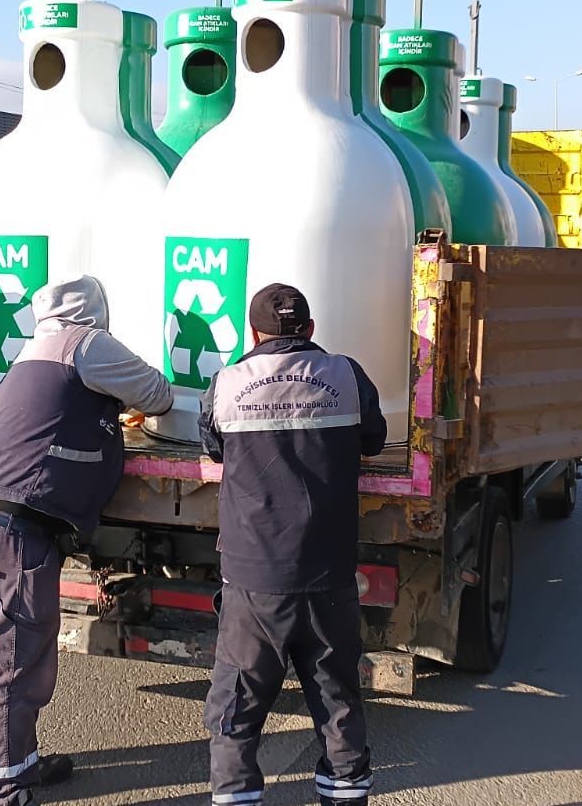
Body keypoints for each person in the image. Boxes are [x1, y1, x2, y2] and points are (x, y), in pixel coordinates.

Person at [0, 274, 172, 806]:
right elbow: (158, 396)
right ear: (94, 311)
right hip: (11, 532)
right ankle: (2, 791)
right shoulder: (85, 343)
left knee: (17, 659)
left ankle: (19, 766)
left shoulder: (33, 352)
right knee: (8, 667)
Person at [199, 283, 388, 806]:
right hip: (328, 573)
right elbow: (373, 437)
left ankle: (237, 796)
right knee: (337, 699)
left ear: (254, 333)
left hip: (254, 579)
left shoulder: (228, 384)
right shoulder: (347, 376)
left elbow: (212, 445)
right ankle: (346, 795)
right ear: (309, 330)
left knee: (237, 705)